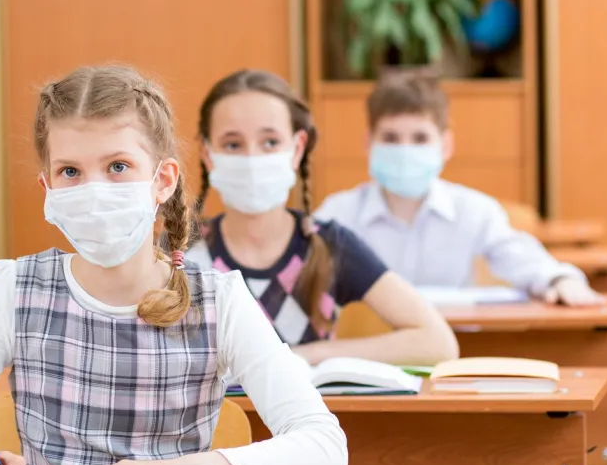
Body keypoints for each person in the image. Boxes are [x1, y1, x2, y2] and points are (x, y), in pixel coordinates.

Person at [0, 65, 347, 465]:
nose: (95, 190)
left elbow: (324, 444)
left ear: (163, 179)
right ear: (47, 186)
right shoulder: (11, 289)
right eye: (70, 172)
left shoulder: (220, 300)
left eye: (118, 166)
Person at [188, 69, 458, 367]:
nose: (252, 159)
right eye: (233, 144)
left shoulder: (328, 244)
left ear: (297, 148)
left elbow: (438, 342)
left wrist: (306, 356)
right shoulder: (178, 253)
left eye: (270, 142)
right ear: (207, 152)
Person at [314, 71, 602, 306]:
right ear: (369, 143)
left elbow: (521, 257)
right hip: (364, 355)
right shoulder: (338, 214)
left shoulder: (475, 210)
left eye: (420, 138)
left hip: (453, 354)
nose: (404, 149)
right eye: (390, 138)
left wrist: (559, 280)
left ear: (445, 145)